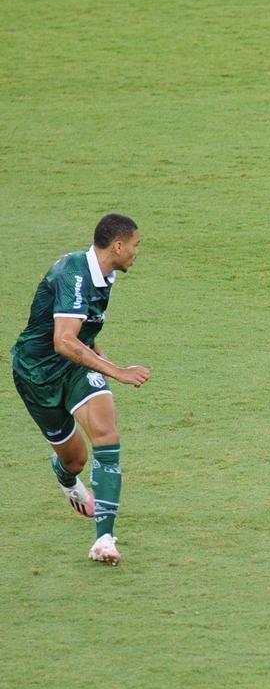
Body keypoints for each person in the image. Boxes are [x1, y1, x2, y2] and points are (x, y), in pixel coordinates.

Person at [11, 214, 150, 564]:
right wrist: (117, 371)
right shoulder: (74, 273)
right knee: (75, 459)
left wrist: (105, 364)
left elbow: (83, 336)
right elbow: (63, 340)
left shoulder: (107, 275)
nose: (136, 252)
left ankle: (104, 538)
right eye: (135, 245)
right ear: (117, 245)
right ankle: (64, 475)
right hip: (37, 373)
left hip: (75, 368)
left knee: (106, 433)